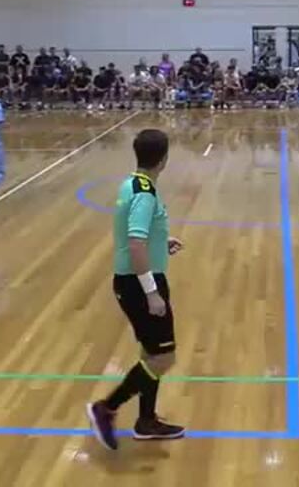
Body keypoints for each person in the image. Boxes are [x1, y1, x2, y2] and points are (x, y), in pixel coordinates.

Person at [87, 129, 186, 450]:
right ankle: (107, 407)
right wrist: (152, 292)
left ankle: (146, 421)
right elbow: (135, 242)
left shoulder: (131, 183)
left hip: (133, 279)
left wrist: (162, 242)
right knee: (163, 358)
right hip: (141, 283)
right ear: (166, 159)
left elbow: (137, 236)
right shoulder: (145, 194)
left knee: (150, 354)